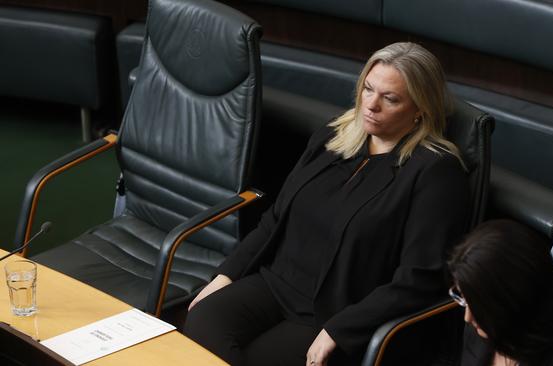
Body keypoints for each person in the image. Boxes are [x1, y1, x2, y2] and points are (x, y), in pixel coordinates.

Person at [183, 42, 470, 366]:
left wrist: (340, 329)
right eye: (368, 89)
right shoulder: (334, 136)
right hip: (273, 283)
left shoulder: (435, 172)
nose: (371, 105)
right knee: (200, 321)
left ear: (420, 108)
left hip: (333, 310)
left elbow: (420, 280)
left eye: (390, 98)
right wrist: (226, 276)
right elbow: (276, 218)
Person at [447, 220, 553, 366]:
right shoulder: (482, 326)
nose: (468, 318)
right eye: (465, 299)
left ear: (514, 300)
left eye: (477, 303)